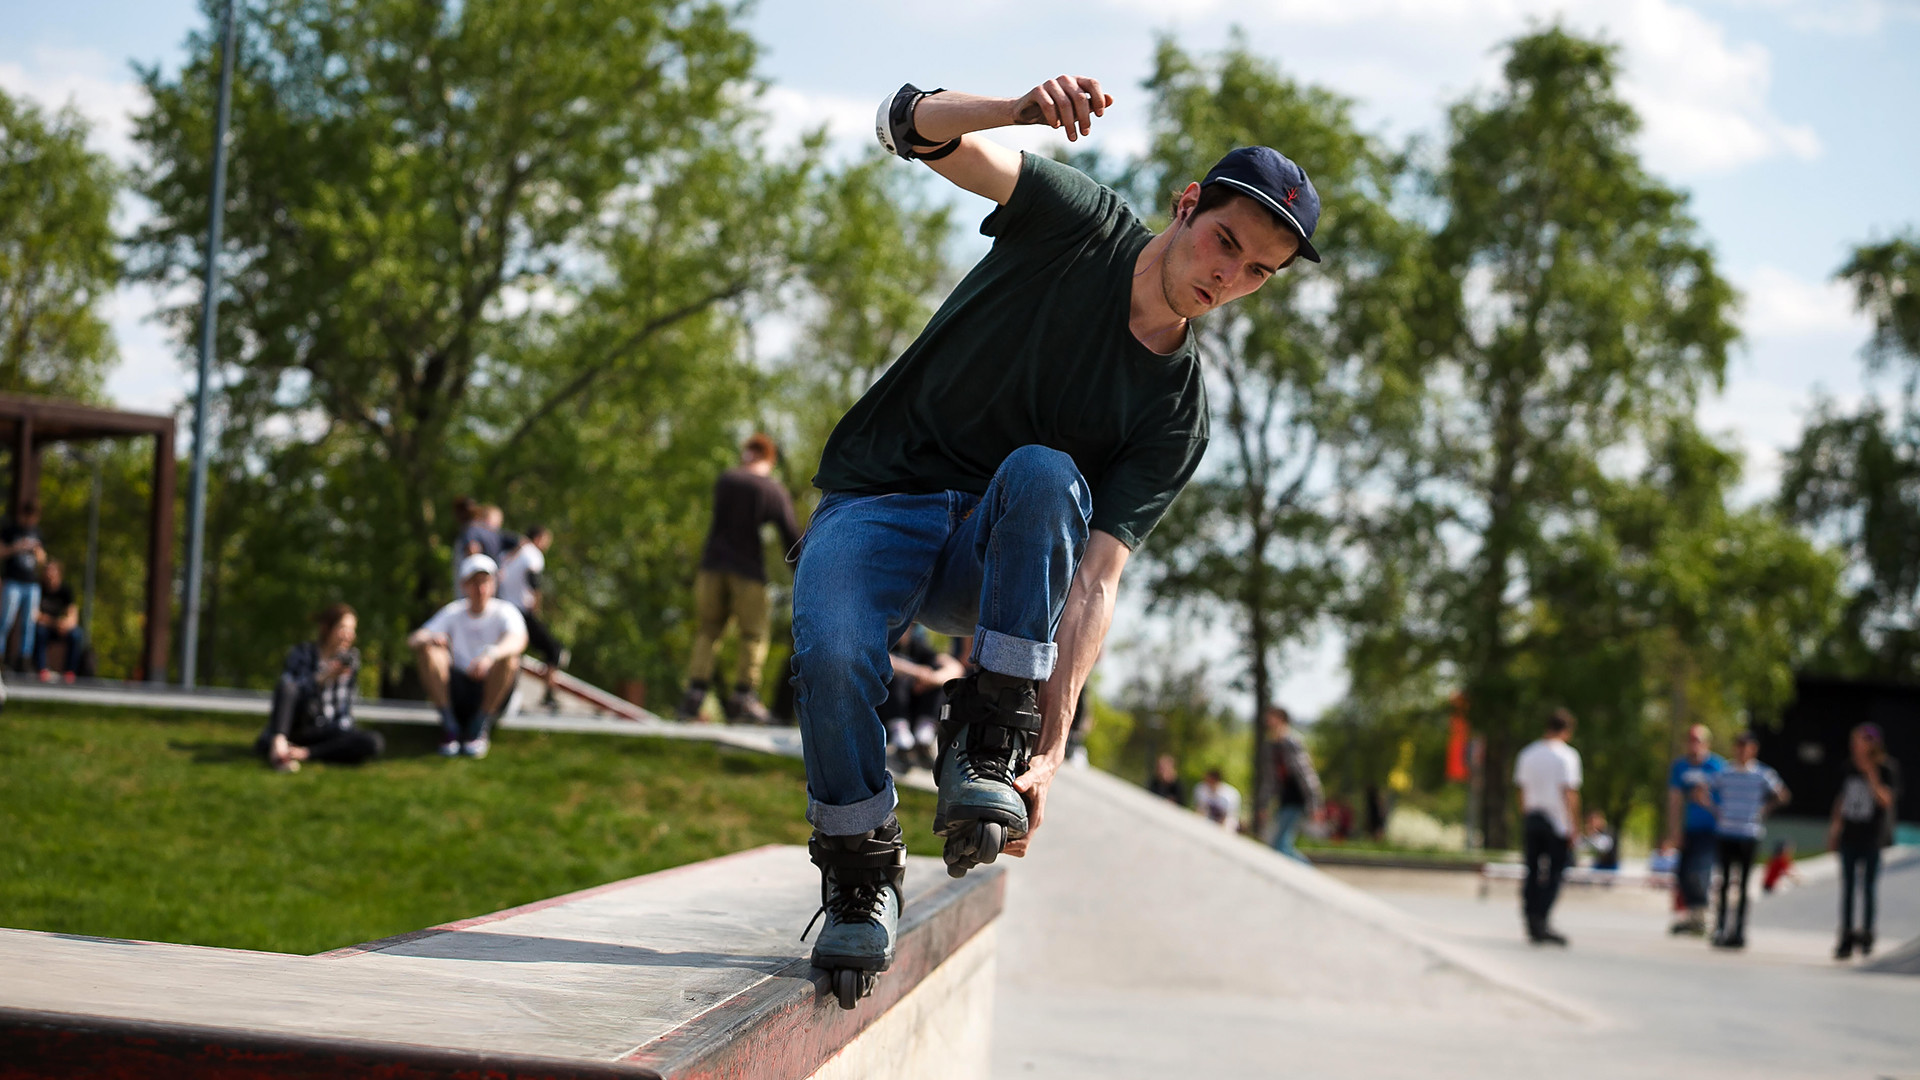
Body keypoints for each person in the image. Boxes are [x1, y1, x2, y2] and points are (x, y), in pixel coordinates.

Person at [791, 73, 1323, 1008]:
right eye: (1222, 242)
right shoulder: (1079, 219)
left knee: (1044, 473)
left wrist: (1053, 744)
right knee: (832, 655)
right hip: (881, 500)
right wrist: (1015, 113)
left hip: (992, 559)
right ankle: (858, 863)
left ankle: (990, 739)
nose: (1222, 277)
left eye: (1253, 274)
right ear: (1187, 204)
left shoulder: (1175, 414)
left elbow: (1097, 579)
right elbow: (907, 126)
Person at [678, 433, 801, 725]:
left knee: (708, 630)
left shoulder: (726, 480)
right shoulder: (772, 489)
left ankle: (695, 693)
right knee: (754, 633)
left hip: (711, 567)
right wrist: (806, 574)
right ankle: (744, 696)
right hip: (747, 572)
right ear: (769, 460)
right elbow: (791, 538)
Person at [409, 554, 527, 759]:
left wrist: (491, 655)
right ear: (464, 585)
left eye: (484, 581)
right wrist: (431, 638)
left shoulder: (505, 611)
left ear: (493, 584)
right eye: (474, 582)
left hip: (492, 689)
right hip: (458, 688)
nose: (480, 588)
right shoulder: (453, 612)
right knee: (429, 651)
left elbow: (519, 640)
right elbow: (414, 639)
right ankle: (450, 727)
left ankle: (479, 726)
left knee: (510, 658)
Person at [255, 604, 383, 771]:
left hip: (328, 730)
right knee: (288, 686)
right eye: (343, 628)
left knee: (373, 741)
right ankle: (279, 744)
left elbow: (345, 709)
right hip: (300, 725)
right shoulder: (303, 653)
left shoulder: (351, 659)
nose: (349, 635)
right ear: (327, 628)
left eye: (352, 629)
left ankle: (305, 753)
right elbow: (288, 692)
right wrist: (322, 678)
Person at [1697, 731, 1788, 949]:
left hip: (1749, 833)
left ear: (1754, 749)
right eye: (1739, 745)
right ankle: (1719, 928)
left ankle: (1738, 930)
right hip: (1727, 831)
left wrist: (1763, 810)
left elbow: (1782, 794)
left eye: (1747, 746)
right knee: (1723, 883)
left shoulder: (1762, 774)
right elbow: (1701, 791)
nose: (1742, 750)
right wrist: (1715, 810)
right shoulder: (1725, 772)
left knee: (1745, 884)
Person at [1830, 722, 1901, 959]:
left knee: (1868, 888)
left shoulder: (1887, 768)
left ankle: (1868, 934)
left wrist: (1871, 775)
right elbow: (1842, 799)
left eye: (1859, 741)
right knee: (1848, 887)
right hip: (1850, 834)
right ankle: (1846, 936)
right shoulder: (1848, 767)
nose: (1855, 746)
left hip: (1873, 837)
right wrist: (1835, 829)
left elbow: (1886, 800)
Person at [1514, 708, 1583, 946]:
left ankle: (1530, 916)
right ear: (1566, 730)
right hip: (1556, 822)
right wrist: (1574, 826)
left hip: (1533, 817)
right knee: (1554, 873)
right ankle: (1542, 918)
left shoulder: (1528, 754)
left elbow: (1521, 791)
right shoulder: (1567, 756)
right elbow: (1569, 793)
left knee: (1532, 871)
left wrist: (1526, 817)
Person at [1664, 724, 1724, 936]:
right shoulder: (1680, 767)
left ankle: (1704, 915)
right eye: (1690, 740)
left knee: (1700, 872)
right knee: (1682, 873)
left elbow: (1725, 803)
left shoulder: (1717, 767)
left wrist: (1707, 803)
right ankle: (1694, 916)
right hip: (1689, 828)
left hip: (1712, 829)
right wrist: (1673, 831)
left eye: (1697, 741)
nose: (1693, 745)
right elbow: (1675, 801)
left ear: (1706, 743)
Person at [498, 525, 568, 705]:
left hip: (504, 609)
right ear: (538, 538)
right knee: (554, 650)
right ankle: (549, 693)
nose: (547, 545)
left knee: (513, 650)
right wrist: (537, 605)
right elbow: (533, 580)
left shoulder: (510, 554)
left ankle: (506, 692)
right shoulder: (532, 554)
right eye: (546, 541)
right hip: (522, 612)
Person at [881, 626, 964, 770]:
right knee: (895, 679)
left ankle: (923, 737)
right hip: (889, 710)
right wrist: (917, 673)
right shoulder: (883, 644)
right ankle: (902, 740)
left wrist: (931, 679)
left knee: (940, 683)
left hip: (915, 709)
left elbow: (954, 667)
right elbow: (885, 660)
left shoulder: (915, 647)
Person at [1260, 706, 1324, 863]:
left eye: (1271, 718)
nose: (1268, 722)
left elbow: (1307, 775)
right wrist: (1264, 804)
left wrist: (1315, 805)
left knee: (1278, 843)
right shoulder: (1272, 746)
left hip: (1298, 798)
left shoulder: (1292, 743)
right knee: (1279, 843)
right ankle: (1306, 871)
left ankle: (1307, 872)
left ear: (1281, 720)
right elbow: (1271, 780)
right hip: (1285, 799)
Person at [0, 499, 45, 668]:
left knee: (29, 623)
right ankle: (1, 655)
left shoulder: (37, 533)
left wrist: (37, 551)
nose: (30, 520)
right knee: (6, 619)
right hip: (13, 582)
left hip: (31, 584)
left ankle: (24, 658)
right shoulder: (10, 531)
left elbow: (43, 561)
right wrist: (17, 547)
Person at [32, 559, 85, 682]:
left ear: (59, 573)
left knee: (76, 634)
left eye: (52, 571)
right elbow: (35, 615)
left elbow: (73, 616)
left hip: (61, 629)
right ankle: (41, 669)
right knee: (39, 632)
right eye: (47, 571)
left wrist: (64, 624)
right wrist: (55, 623)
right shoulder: (38, 588)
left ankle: (70, 672)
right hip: (47, 628)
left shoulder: (66, 590)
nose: (49, 574)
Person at [449, 496, 502, 597]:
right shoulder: (489, 531)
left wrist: (474, 582)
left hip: (475, 593)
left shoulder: (469, 531)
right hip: (491, 588)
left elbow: (472, 550)